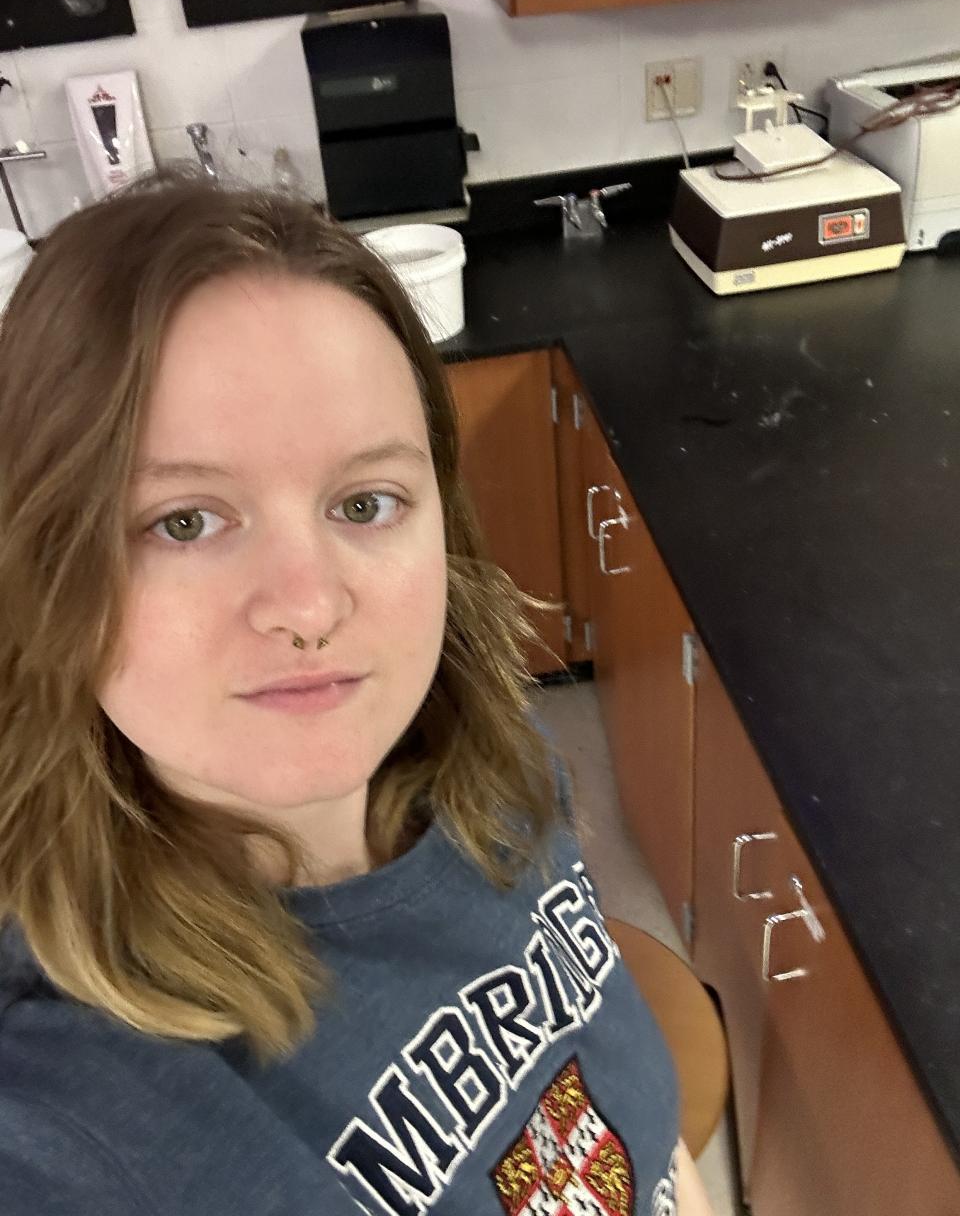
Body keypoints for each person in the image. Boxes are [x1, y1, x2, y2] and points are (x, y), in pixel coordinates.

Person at [0, 167, 715, 1214]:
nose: (310, 606)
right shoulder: (75, 1116)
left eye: (366, 501)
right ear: (41, 570)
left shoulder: (489, 767)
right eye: (184, 520)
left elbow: (626, 1113)